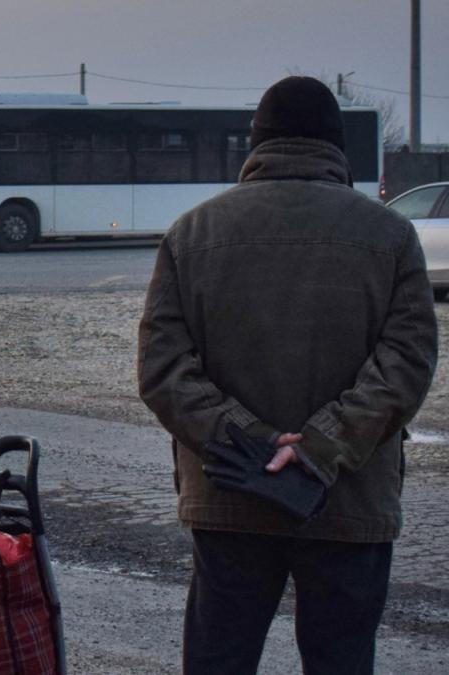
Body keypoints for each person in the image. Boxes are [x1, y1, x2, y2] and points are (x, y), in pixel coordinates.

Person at [137, 76, 438, 674]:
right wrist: (321, 446)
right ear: (335, 145)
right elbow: (406, 360)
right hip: (350, 500)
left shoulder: (192, 234)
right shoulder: (390, 235)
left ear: (256, 142)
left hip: (230, 495)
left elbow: (163, 368)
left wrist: (255, 446)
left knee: (220, 660)